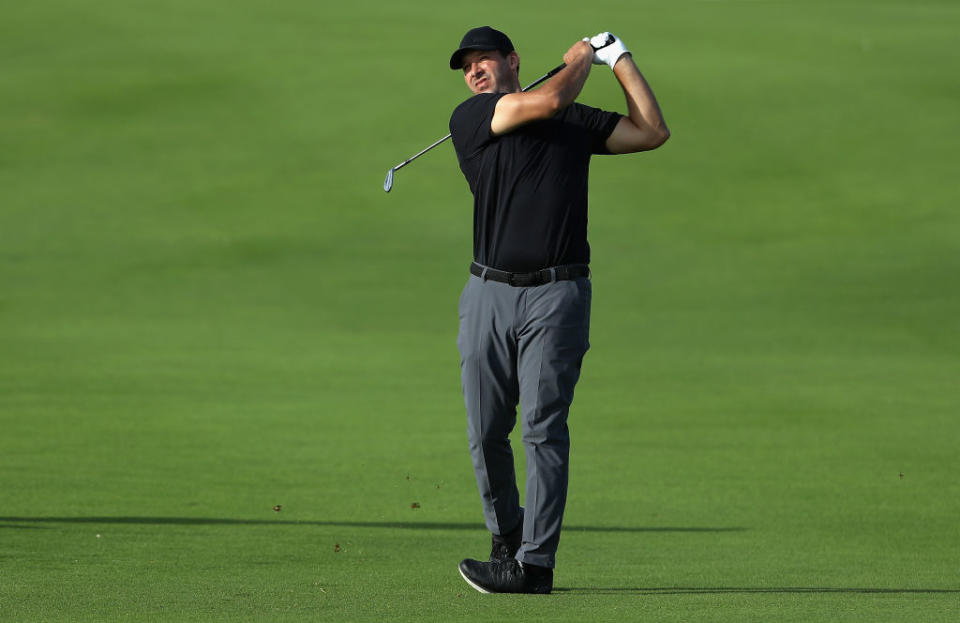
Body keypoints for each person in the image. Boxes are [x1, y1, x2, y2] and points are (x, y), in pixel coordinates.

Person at [448, 26, 669, 594]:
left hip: (558, 294)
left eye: (484, 61)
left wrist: (618, 59)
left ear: (512, 60)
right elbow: (547, 99)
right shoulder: (472, 119)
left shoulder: (571, 123)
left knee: (543, 429)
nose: (474, 71)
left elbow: (651, 131)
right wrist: (579, 59)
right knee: (485, 431)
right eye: (467, 65)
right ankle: (506, 539)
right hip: (488, 294)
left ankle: (534, 565)